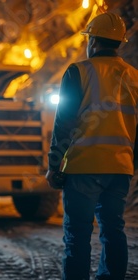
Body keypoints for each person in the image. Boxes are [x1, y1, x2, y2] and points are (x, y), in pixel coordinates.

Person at [46, 13, 138, 280]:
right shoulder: (134, 76)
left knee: (77, 235)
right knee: (114, 231)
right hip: (119, 168)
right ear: (119, 43)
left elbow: (64, 123)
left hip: (83, 168)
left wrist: (54, 165)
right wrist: (130, 162)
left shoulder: (79, 71)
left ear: (94, 41)